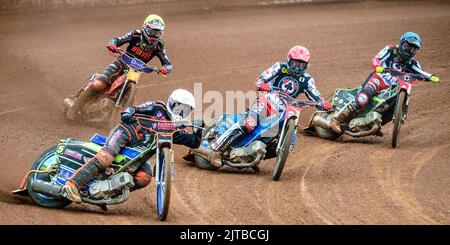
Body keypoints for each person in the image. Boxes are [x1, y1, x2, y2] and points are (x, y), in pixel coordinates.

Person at [63, 89, 200, 203]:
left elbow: (193, 142)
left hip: (140, 155)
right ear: (171, 102)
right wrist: (128, 113)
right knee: (106, 158)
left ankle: (108, 192)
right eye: (180, 107)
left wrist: (200, 128)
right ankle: (72, 184)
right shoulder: (158, 107)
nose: (181, 113)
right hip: (126, 132)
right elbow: (134, 109)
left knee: (144, 178)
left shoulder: (175, 130)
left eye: (186, 111)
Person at [209, 45, 332, 168]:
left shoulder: (307, 79)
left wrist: (323, 103)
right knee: (250, 123)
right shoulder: (279, 67)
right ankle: (216, 151)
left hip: (285, 110)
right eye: (295, 63)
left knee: (277, 138)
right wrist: (264, 85)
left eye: (301, 65)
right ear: (289, 60)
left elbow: (314, 94)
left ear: (306, 65)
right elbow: (259, 80)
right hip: (267, 101)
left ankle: (250, 154)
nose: (297, 68)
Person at [65, 14, 173, 121]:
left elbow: (168, 64)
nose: (154, 36)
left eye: (157, 33)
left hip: (134, 72)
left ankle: (110, 112)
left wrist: (164, 69)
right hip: (121, 64)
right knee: (99, 84)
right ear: (145, 28)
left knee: (127, 94)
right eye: (152, 32)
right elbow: (117, 39)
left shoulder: (159, 45)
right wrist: (113, 44)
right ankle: (74, 108)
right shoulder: (135, 35)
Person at [329, 32, 440, 134]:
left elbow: (421, 73)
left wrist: (431, 77)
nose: (409, 51)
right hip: (378, 79)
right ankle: (336, 119)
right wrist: (379, 67)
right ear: (401, 44)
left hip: (391, 88)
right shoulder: (391, 50)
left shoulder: (412, 63)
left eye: (413, 50)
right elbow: (375, 59)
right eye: (408, 47)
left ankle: (372, 124)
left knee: (392, 107)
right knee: (363, 99)